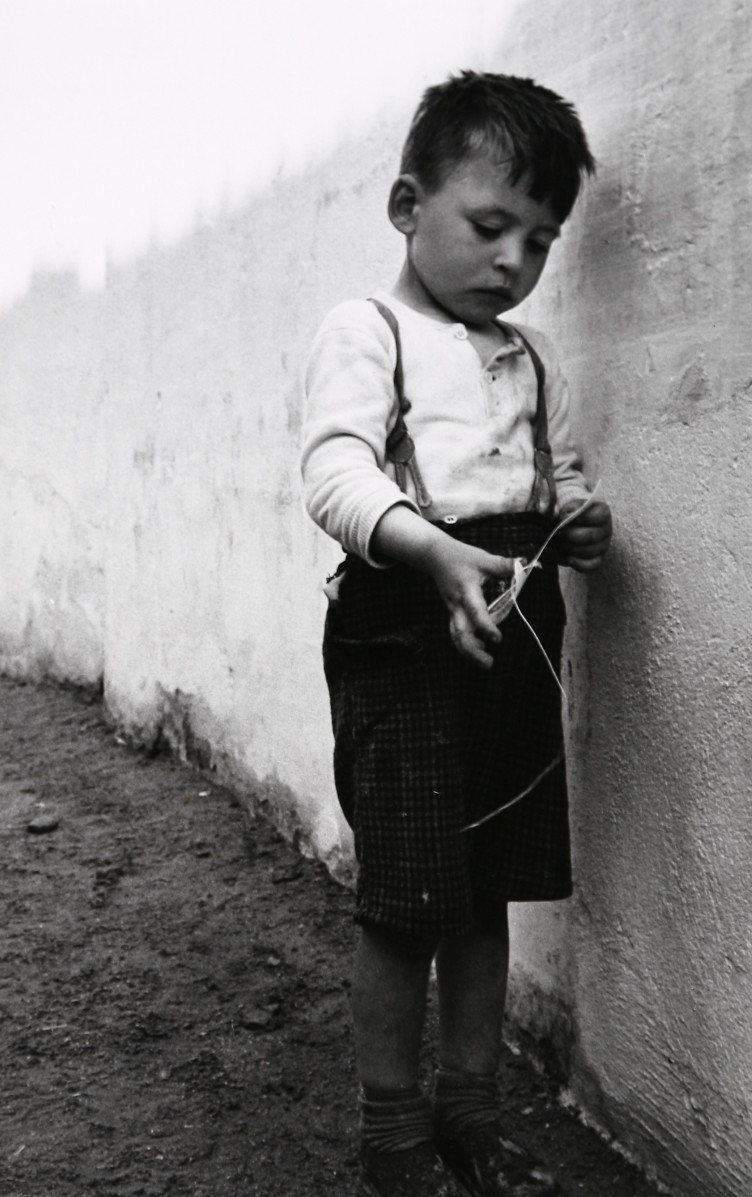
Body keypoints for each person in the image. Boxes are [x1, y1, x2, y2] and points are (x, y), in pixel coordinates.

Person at [301, 72, 612, 1196]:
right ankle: (393, 1136)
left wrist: (579, 523)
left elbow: (558, 476)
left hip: (517, 638)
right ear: (405, 204)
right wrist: (427, 550)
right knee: (405, 903)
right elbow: (334, 471)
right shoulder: (368, 329)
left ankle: (469, 1114)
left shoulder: (531, 360)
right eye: (490, 226)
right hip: (406, 636)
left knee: (487, 893)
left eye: (540, 241)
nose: (513, 262)